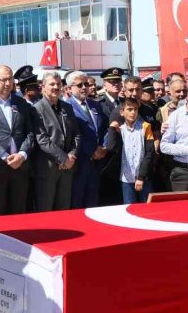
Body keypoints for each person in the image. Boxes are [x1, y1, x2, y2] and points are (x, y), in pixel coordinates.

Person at [0, 65, 35, 217]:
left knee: (19, 211)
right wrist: (4, 156)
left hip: (20, 167)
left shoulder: (21, 103)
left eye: (10, 79)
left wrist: (22, 154)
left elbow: (29, 132)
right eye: (3, 79)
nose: (7, 83)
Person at [32, 72, 80, 211]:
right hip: (48, 169)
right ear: (43, 87)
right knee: (45, 211)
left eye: (58, 84)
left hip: (67, 169)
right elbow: (42, 139)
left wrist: (71, 156)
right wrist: (63, 158)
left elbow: (77, 134)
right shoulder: (37, 109)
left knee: (64, 210)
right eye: (52, 84)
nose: (56, 87)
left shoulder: (67, 107)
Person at [66, 70, 108, 209]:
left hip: (97, 163)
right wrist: (91, 151)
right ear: (69, 88)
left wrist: (104, 146)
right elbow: (72, 135)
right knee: (77, 202)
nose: (84, 87)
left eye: (85, 84)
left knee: (93, 202)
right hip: (79, 163)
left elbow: (105, 129)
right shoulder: (66, 107)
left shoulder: (95, 105)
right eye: (79, 85)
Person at [106, 97, 156, 203]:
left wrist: (141, 177)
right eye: (129, 109)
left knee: (147, 207)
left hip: (144, 176)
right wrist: (111, 130)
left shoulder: (146, 127)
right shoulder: (120, 129)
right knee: (129, 207)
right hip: (126, 177)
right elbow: (111, 147)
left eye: (135, 109)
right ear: (122, 112)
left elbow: (149, 153)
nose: (133, 112)